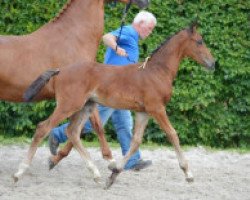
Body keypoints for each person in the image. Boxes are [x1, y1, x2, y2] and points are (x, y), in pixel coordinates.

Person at [48, 11, 157, 170]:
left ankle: (132, 160)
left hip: (122, 90)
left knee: (125, 124)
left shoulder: (132, 37)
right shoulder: (128, 31)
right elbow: (106, 37)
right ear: (140, 23)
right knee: (92, 124)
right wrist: (116, 47)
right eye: (149, 28)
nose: (150, 32)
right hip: (109, 88)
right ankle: (57, 134)